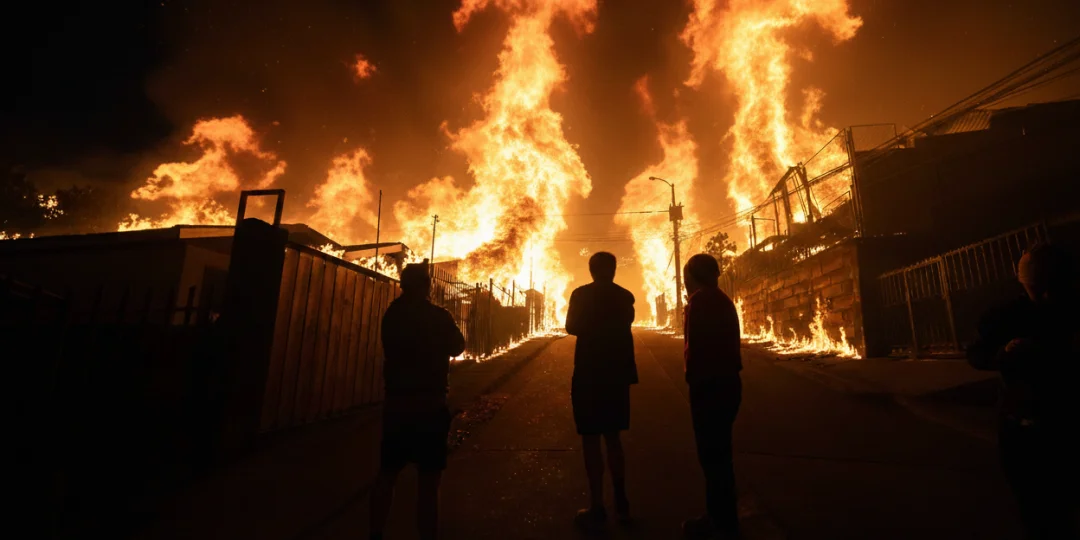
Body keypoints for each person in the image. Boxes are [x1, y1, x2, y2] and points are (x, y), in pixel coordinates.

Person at [968, 242, 1080, 539]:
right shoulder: (1006, 316)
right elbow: (977, 354)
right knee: (1038, 511)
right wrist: (1004, 354)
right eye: (1037, 288)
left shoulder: (1071, 309)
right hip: (1024, 427)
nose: (1046, 296)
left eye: (1052, 287)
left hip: (1067, 422)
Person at [369, 262, 466, 540]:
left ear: (403, 285)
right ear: (426, 286)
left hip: (397, 405)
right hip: (429, 406)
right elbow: (458, 347)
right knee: (429, 480)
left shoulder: (392, 315)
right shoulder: (438, 316)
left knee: (388, 473)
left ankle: (375, 533)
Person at [565, 251, 638, 531]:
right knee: (614, 438)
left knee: (591, 439)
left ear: (591, 270)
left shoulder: (580, 295)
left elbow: (571, 326)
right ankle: (622, 504)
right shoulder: (625, 297)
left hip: (589, 374)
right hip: (616, 375)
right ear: (614, 270)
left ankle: (597, 505)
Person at [681, 253, 743, 540]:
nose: (684, 282)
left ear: (695, 277)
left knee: (712, 456)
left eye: (686, 276)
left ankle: (720, 522)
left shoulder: (700, 302)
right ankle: (723, 517)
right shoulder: (721, 299)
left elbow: (696, 348)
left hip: (710, 386)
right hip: (727, 383)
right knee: (720, 455)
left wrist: (693, 381)